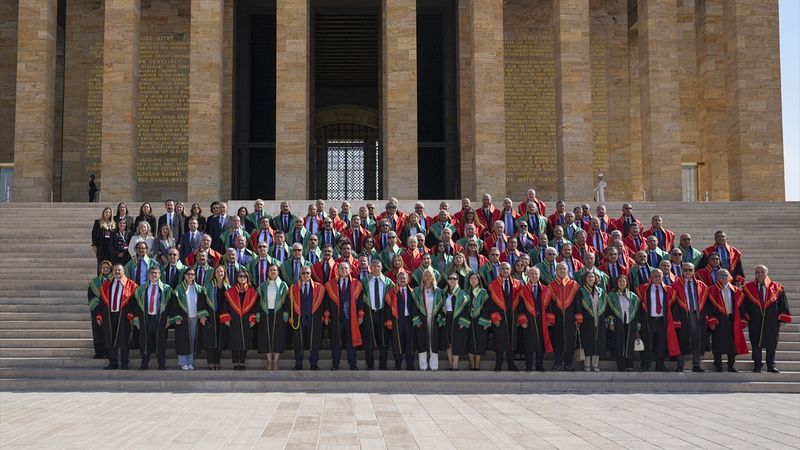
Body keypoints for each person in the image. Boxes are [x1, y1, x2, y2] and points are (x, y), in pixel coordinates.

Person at [742, 265, 792, 373]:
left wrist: (783, 318)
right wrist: (745, 318)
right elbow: (744, 305)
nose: (760, 274)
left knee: (772, 343)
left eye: (762, 272)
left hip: (772, 320)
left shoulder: (777, 287)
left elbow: (783, 303)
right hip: (755, 319)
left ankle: (771, 365)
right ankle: (757, 365)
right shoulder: (748, 288)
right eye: (757, 272)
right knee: (755, 343)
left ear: (767, 273)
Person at [94, 264, 137, 370]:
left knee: (124, 339)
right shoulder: (106, 285)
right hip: (109, 315)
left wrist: (132, 313)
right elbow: (101, 302)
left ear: (124, 271)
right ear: (112, 272)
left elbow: (134, 301)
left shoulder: (131, 285)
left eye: (119, 270)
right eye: (115, 270)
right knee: (110, 338)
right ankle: (112, 362)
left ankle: (124, 363)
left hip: (124, 315)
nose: (117, 272)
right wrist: (99, 314)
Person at [637, 269, 681, 371]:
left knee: (661, 344)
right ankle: (645, 365)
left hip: (662, 320)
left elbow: (672, 306)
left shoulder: (669, 290)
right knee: (647, 343)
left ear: (662, 277)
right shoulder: (643, 289)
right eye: (655, 276)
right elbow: (639, 306)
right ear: (651, 277)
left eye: (659, 276)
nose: (657, 278)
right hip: (649, 320)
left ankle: (660, 365)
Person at [706, 269, 748, 372]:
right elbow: (708, 308)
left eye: (726, 275)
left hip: (732, 319)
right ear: (717, 278)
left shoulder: (736, 290)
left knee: (733, 343)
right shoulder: (711, 290)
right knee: (717, 343)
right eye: (721, 276)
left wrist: (743, 320)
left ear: (729, 277)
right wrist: (711, 320)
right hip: (718, 320)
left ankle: (731, 365)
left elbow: (741, 307)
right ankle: (718, 365)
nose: (724, 278)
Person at [672, 262, 710, 372]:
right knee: (682, 339)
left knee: (697, 339)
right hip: (682, 315)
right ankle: (680, 365)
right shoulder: (676, 285)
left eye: (690, 270)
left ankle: (696, 365)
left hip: (696, 314)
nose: (688, 272)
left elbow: (706, 303)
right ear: (682, 271)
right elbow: (673, 304)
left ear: (694, 271)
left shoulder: (701, 285)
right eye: (685, 270)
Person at [131, 267, 171, 370]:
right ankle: (144, 363)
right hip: (146, 318)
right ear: (148, 275)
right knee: (145, 341)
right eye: (152, 273)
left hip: (160, 318)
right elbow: (136, 306)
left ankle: (161, 364)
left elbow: (170, 306)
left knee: (161, 341)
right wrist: (136, 320)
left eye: (156, 273)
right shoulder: (141, 289)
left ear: (160, 275)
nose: (154, 275)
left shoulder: (166, 289)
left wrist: (169, 318)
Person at [486, 262, 521, 371]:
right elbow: (491, 303)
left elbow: (521, 301)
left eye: (507, 269)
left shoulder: (517, 284)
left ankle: (511, 364)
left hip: (513, 315)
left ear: (510, 270)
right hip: (500, 316)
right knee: (499, 340)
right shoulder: (493, 285)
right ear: (499, 270)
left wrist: (519, 317)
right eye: (502, 268)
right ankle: (498, 364)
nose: (505, 271)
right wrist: (495, 317)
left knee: (512, 340)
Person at [220, 270, 258, 370]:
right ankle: (236, 363)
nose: (242, 278)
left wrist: (253, 318)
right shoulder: (230, 291)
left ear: (247, 278)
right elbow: (225, 306)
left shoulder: (252, 291)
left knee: (245, 340)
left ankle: (242, 362)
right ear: (237, 278)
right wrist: (226, 318)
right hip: (234, 319)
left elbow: (255, 307)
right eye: (240, 276)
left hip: (246, 320)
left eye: (245, 276)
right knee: (235, 341)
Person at [360, 260, 394, 370]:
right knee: (368, 339)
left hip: (383, 312)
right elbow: (360, 298)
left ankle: (383, 365)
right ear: (370, 267)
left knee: (384, 339)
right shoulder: (364, 281)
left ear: (382, 267)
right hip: (369, 311)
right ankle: (370, 365)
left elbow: (393, 298)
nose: (376, 268)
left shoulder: (388, 282)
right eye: (373, 266)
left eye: (378, 266)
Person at [546, 262, 581, 371]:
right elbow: (549, 304)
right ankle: (558, 363)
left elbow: (578, 302)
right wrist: (550, 318)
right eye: (559, 269)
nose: (562, 271)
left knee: (570, 341)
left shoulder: (574, 285)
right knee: (557, 341)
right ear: (556, 271)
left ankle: (568, 364)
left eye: (564, 269)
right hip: (557, 318)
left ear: (567, 271)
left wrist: (578, 317)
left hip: (570, 318)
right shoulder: (551, 286)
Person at [289, 267, 325, 370]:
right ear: (300, 274)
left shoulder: (319, 287)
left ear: (311, 274)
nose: (305, 275)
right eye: (303, 273)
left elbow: (323, 303)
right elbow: (289, 304)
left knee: (314, 341)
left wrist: (324, 315)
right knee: (298, 341)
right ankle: (298, 363)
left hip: (313, 317)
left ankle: (314, 363)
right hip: (299, 317)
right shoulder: (293, 288)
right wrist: (290, 316)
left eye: (307, 273)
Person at [517, 267, 552, 372]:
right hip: (529, 319)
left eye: (536, 274)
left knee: (540, 343)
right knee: (529, 343)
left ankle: (539, 365)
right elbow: (520, 306)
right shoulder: (523, 290)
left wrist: (549, 320)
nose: (534, 276)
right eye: (531, 274)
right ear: (528, 275)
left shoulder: (546, 289)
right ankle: (528, 365)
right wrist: (523, 320)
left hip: (542, 320)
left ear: (539, 275)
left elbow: (550, 306)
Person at [256, 264, 289, 370]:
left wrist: (286, 313)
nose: (273, 272)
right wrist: (257, 314)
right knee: (266, 336)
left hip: (278, 312)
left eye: (275, 270)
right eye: (271, 270)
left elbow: (287, 301)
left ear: (278, 272)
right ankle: (269, 360)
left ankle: (276, 361)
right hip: (265, 312)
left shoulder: (283, 285)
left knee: (278, 337)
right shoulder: (262, 286)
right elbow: (258, 301)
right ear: (268, 272)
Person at [171, 268, 205, 370]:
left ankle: (190, 362)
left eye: (192, 274)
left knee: (192, 341)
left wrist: (202, 315)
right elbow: (174, 305)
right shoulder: (179, 288)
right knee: (182, 340)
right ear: (184, 275)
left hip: (194, 317)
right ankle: (183, 362)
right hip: (183, 318)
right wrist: (177, 317)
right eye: (188, 274)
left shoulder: (199, 288)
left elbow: (202, 303)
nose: (190, 276)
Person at [576, 271, 609, 372]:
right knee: (587, 341)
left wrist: (607, 319)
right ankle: (587, 364)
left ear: (596, 279)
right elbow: (578, 305)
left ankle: (595, 364)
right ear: (585, 279)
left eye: (593, 277)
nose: (591, 279)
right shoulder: (581, 291)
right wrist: (579, 319)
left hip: (599, 319)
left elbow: (606, 306)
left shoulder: (601, 291)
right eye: (589, 277)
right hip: (586, 320)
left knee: (598, 341)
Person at [607, 275, 641, 371]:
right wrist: (611, 322)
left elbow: (637, 312)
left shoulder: (633, 296)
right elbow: (608, 311)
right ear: (616, 283)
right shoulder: (612, 295)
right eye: (620, 281)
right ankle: (621, 366)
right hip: (617, 323)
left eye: (624, 281)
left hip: (631, 323)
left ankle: (629, 365)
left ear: (627, 283)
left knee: (629, 344)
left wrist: (638, 325)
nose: (622, 283)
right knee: (619, 344)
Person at [412, 268, 444, 370]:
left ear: (433, 277)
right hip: (422, 318)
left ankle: (434, 366)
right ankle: (423, 366)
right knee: (422, 341)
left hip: (434, 319)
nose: (428, 277)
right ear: (423, 278)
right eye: (426, 275)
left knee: (433, 342)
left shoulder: (438, 291)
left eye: (430, 275)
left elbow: (442, 307)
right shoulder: (417, 291)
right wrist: (416, 319)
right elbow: (414, 306)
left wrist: (440, 318)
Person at [385, 271, 416, 370]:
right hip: (397, 320)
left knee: (410, 342)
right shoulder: (392, 292)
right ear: (396, 280)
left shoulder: (413, 292)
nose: (402, 280)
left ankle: (410, 365)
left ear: (408, 280)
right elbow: (388, 308)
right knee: (397, 342)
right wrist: (389, 321)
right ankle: (398, 365)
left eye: (404, 278)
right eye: (400, 278)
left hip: (409, 320)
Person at [440, 274, 471, 370]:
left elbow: (466, 309)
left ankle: (455, 364)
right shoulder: (444, 293)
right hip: (447, 319)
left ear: (458, 280)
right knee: (448, 342)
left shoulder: (463, 294)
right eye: (450, 278)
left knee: (456, 342)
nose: (452, 280)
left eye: (454, 278)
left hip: (458, 319)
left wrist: (463, 321)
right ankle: (450, 363)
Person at [200, 265, 228, 370]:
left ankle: (217, 362)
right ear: (214, 274)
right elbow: (202, 302)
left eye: (222, 272)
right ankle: (210, 362)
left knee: (220, 340)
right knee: (210, 340)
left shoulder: (228, 287)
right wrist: (203, 316)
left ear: (224, 273)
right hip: (210, 316)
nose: (220, 273)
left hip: (222, 317)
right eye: (218, 272)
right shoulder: (207, 287)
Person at [87, 261, 113, 359]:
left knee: (109, 331)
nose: (105, 269)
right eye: (103, 268)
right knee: (98, 331)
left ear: (110, 269)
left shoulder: (114, 281)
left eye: (107, 268)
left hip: (110, 309)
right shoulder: (94, 282)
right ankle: (99, 352)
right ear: (100, 269)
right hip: (98, 309)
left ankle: (109, 352)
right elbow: (91, 296)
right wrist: (99, 307)